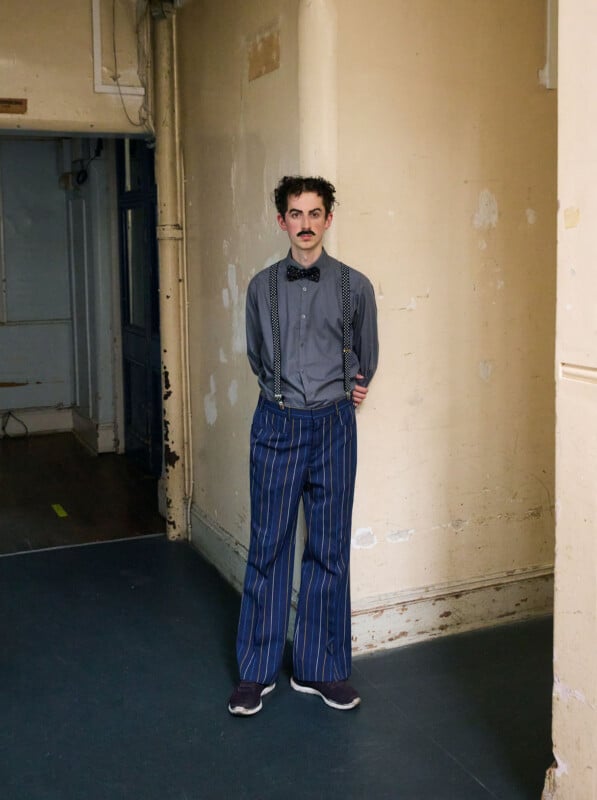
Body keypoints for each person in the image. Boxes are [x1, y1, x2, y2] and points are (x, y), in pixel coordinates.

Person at [228, 175, 378, 716]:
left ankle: (322, 670)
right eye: (297, 213)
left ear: (328, 219)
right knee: (269, 546)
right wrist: (282, 396)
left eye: (316, 213)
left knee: (330, 547)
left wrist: (354, 383)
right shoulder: (260, 287)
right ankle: (255, 671)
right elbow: (255, 355)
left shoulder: (355, 285)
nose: (307, 224)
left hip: (336, 427)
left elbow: (366, 352)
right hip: (278, 424)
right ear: (282, 221)